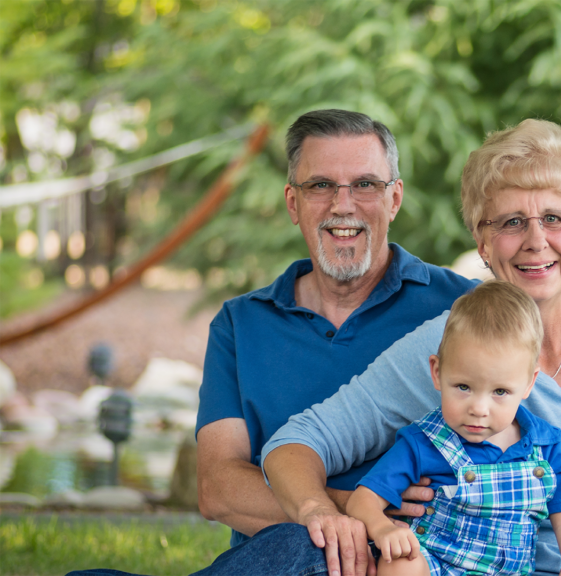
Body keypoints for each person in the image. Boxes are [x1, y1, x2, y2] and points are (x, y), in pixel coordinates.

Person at [262, 118, 561, 576]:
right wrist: (323, 512)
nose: (535, 241)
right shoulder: (451, 344)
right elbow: (295, 444)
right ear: (483, 244)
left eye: (554, 218)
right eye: (511, 222)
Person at [193, 109, 477, 550]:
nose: (342, 205)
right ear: (293, 203)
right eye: (320, 186)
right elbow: (219, 489)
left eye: (365, 185)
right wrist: (355, 507)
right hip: (281, 559)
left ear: (395, 199)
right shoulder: (240, 324)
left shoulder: (460, 309)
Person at [348, 280, 561, 576]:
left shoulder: (548, 447)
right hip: (435, 565)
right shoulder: (423, 442)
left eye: (500, 392)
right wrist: (384, 529)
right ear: (437, 372)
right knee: (400, 561)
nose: (479, 408)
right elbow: (362, 500)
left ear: (529, 383)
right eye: (463, 387)